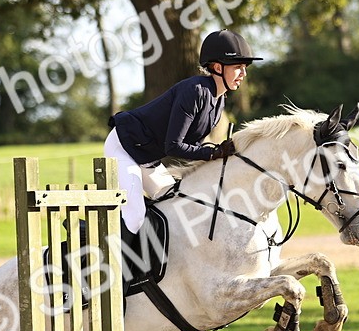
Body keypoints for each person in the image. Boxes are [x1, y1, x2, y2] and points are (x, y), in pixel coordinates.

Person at [106, 29, 261, 233]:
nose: (243, 74)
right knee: (135, 216)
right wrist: (212, 153)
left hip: (147, 156)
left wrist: (219, 154)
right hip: (124, 145)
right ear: (217, 67)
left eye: (245, 68)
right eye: (238, 67)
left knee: (174, 204)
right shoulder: (195, 91)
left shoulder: (218, 101)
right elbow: (173, 146)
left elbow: (194, 146)